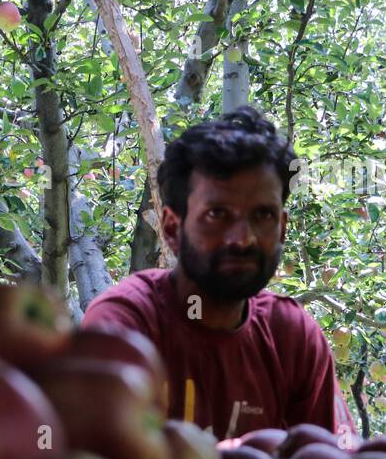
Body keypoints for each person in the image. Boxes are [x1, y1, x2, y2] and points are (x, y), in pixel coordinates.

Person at [82, 106, 356, 442]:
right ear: (171, 228)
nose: (243, 239)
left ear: (283, 228)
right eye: (217, 214)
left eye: (263, 215)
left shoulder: (291, 336)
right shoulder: (126, 324)